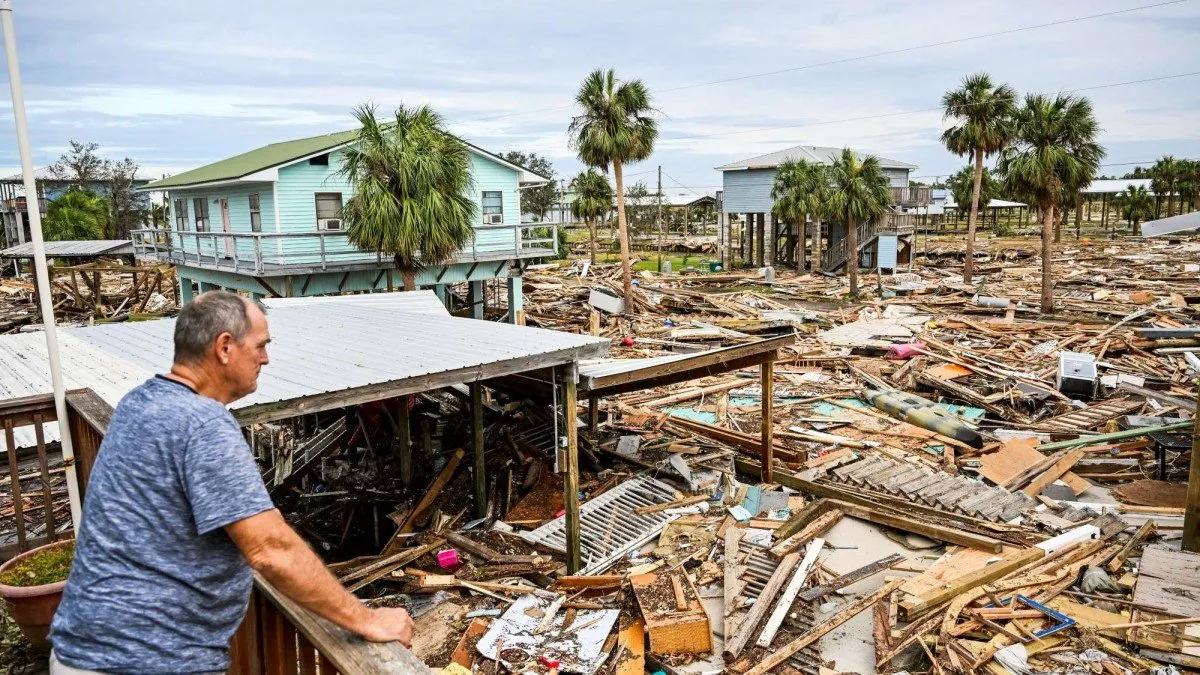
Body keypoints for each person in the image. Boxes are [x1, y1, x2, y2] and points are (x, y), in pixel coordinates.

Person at [50, 291, 413, 674]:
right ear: (225, 347)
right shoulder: (203, 424)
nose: (266, 358)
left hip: (82, 648)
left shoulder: (139, 402)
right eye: (260, 346)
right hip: (146, 660)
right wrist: (367, 619)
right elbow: (271, 549)